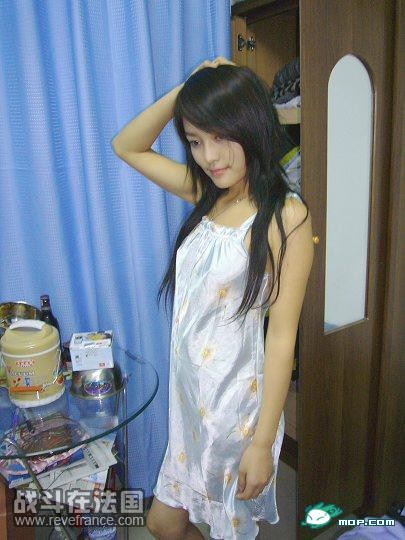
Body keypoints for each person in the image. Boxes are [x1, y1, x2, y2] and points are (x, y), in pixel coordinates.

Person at [112, 57, 314, 540]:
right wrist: (188, 89)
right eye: (196, 141)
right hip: (190, 400)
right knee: (166, 524)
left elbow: (281, 338)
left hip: (233, 407)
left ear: (251, 124)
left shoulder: (286, 216)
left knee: (213, 525)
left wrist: (262, 443)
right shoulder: (210, 192)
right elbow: (127, 146)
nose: (209, 155)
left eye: (221, 136)